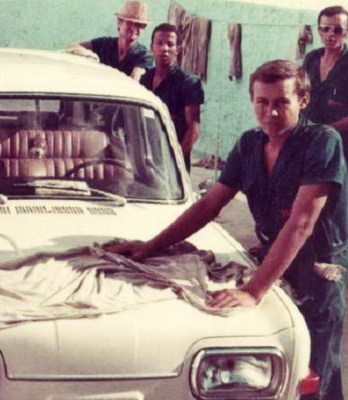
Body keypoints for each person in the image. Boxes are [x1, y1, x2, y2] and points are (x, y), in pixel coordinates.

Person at [106, 60, 348, 400]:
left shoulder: (322, 142)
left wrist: (253, 290)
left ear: (303, 101)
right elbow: (209, 204)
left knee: (312, 371)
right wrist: (151, 246)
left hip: (317, 268)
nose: (270, 112)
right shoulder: (249, 144)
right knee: (265, 368)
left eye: (282, 102)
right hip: (272, 258)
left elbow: (301, 223)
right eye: (262, 102)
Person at [141, 23, 204, 172]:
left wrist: (175, 162)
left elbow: (193, 130)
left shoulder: (189, 83)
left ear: (178, 50)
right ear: (151, 47)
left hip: (174, 164)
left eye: (170, 44)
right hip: (145, 159)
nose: (164, 48)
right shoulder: (145, 80)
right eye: (159, 43)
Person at [304, 5, 348, 160]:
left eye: (338, 30)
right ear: (319, 31)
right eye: (326, 28)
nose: (331, 34)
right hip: (308, 141)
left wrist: (327, 130)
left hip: (341, 145)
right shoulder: (311, 58)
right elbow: (299, 94)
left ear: (346, 32)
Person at [70, 0, 152, 81]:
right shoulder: (104, 45)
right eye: (130, 23)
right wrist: (89, 57)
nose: (134, 28)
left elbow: (135, 79)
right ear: (119, 22)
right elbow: (73, 47)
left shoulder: (144, 56)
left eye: (140, 25)